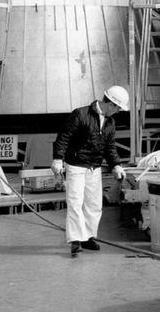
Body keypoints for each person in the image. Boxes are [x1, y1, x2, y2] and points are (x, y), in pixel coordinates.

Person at [51, 86, 128, 257]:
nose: (118, 112)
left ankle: (87, 237)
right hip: (76, 166)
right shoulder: (80, 114)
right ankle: (76, 240)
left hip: (94, 167)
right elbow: (64, 137)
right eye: (118, 108)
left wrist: (116, 165)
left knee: (94, 205)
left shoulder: (110, 122)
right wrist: (57, 158)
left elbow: (110, 147)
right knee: (75, 203)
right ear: (111, 104)